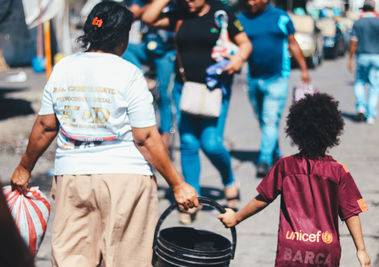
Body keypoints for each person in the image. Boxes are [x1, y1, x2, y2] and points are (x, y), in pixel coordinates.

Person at [10, 2, 198, 266]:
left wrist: (23, 168)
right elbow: (145, 138)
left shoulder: (63, 68)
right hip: (125, 179)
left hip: (73, 176)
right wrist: (177, 184)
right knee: (126, 258)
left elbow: (46, 126)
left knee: (72, 259)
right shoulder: (129, 74)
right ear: (122, 38)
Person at [218, 93, 371, 267]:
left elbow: (262, 200)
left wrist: (236, 218)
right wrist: (361, 249)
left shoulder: (285, 166)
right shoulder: (338, 172)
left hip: (291, 249)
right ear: (333, 131)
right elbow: (351, 213)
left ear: (296, 131)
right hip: (325, 251)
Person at [142, 0, 252, 224]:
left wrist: (239, 58)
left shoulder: (222, 13)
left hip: (216, 88)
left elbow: (245, 43)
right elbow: (148, 18)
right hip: (185, 88)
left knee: (211, 142)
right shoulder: (179, 14)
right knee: (189, 143)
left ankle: (229, 181)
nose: (188, 1)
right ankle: (192, 200)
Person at [238, 0, 311, 178]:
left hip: (278, 77)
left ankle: (264, 160)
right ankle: (275, 152)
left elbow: (293, 43)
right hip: (254, 77)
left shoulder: (281, 17)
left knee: (270, 119)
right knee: (263, 120)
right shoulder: (241, 20)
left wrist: (303, 69)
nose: (251, 2)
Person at [122, 0, 176, 148]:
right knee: (124, 48)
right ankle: (141, 79)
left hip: (166, 52)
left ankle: (165, 135)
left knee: (166, 96)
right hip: (147, 49)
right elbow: (132, 13)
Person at [348, 0, 379, 124]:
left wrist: (350, 59)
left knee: (359, 82)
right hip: (376, 57)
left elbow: (353, 43)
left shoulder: (357, 23)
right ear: (374, 8)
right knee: (374, 86)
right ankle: (370, 115)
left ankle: (361, 106)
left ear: (363, 9)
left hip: (361, 57)